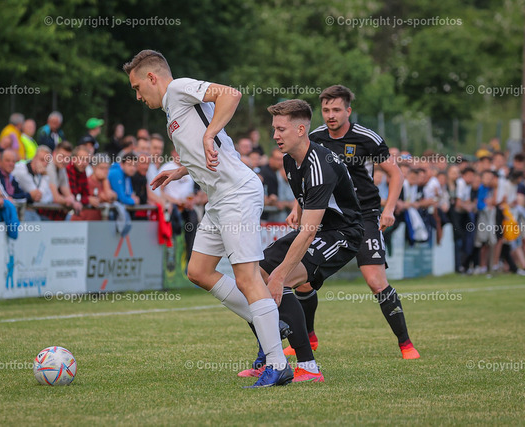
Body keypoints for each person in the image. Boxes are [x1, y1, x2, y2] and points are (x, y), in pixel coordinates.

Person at [124, 49, 291, 387]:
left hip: (236, 192)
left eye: (138, 88)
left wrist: (209, 133)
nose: (138, 96)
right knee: (198, 271)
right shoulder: (172, 109)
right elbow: (209, 151)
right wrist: (180, 170)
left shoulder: (178, 88)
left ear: (152, 77)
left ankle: (277, 363)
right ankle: (271, 326)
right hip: (219, 199)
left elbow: (231, 94)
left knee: (247, 278)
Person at [239, 99, 364, 382]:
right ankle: (269, 358)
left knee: (280, 280)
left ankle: (308, 367)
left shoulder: (321, 164)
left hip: (342, 234)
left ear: (300, 130)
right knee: (252, 277)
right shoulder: (289, 159)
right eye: (274, 129)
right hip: (317, 227)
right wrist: (298, 207)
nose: (275, 135)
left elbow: (308, 231)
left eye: (281, 129)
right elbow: (307, 198)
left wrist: (280, 274)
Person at [305, 85, 420, 359]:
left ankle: (406, 344)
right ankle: (308, 339)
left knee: (375, 282)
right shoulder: (315, 138)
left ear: (348, 110)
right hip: (329, 217)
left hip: (364, 215)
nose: (330, 115)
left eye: (336, 110)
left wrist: (389, 209)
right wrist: (300, 208)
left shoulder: (366, 138)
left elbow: (396, 174)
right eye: (325, 110)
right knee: (303, 280)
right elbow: (308, 177)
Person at [13, 145, 53, 221]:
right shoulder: (22, 170)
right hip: (18, 212)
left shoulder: (39, 175)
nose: (45, 164)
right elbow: (38, 197)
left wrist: (44, 176)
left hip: (28, 211)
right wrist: (45, 176)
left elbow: (49, 198)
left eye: (47, 162)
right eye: (42, 160)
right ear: (34, 158)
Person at [45, 141, 81, 220]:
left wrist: (71, 200)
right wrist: (71, 202)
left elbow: (68, 193)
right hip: (38, 212)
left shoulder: (61, 168)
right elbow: (55, 198)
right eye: (62, 156)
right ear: (54, 154)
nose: (64, 160)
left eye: (67, 158)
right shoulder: (49, 167)